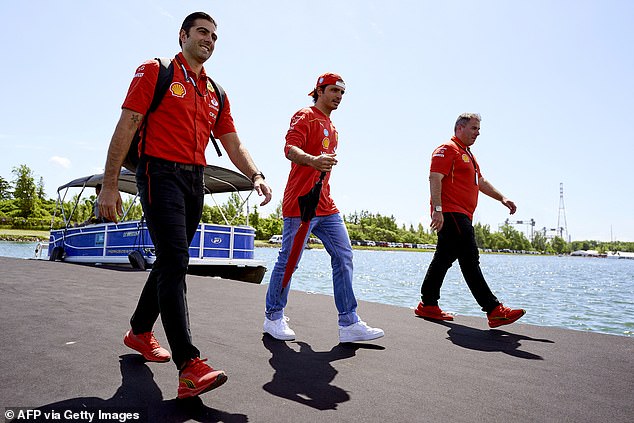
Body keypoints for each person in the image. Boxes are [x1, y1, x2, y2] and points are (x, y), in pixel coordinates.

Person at [98, 12, 272, 399]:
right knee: (175, 260)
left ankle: (139, 332)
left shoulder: (215, 92)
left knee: (168, 262)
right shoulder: (155, 72)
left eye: (214, 36)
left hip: (195, 181)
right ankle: (190, 367)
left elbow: (231, 141)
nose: (208, 39)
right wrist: (109, 185)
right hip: (157, 174)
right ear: (183, 36)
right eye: (202, 32)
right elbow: (126, 125)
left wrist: (256, 174)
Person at [263, 73, 384, 343]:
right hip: (301, 203)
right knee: (289, 261)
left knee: (344, 256)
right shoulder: (305, 116)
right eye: (333, 91)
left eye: (342, 93)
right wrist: (313, 160)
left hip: (326, 205)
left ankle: (349, 323)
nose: (338, 96)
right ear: (318, 91)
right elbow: (289, 148)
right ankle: (273, 316)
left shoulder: (333, 127)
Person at [414, 113, 526, 328]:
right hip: (451, 213)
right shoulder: (447, 149)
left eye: (479, 129)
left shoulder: (468, 155)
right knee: (470, 258)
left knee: (444, 259)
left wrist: (502, 197)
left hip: (463, 214)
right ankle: (494, 310)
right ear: (459, 128)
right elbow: (434, 177)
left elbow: (480, 181)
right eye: (474, 128)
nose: (478, 133)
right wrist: (438, 210)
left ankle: (428, 304)